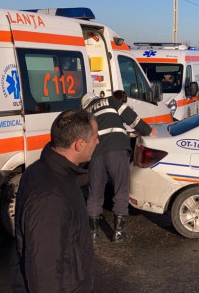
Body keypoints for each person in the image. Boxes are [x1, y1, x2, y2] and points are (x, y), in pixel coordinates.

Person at [14, 109, 98, 292]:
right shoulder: (50, 197)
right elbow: (44, 272)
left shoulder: (46, 170)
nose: (97, 142)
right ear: (79, 145)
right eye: (95, 137)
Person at [83, 92, 156, 243]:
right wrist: (147, 130)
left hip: (96, 154)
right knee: (121, 188)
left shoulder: (84, 114)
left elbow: (100, 131)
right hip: (117, 149)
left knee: (95, 191)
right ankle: (118, 232)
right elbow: (129, 116)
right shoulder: (109, 100)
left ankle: (93, 232)